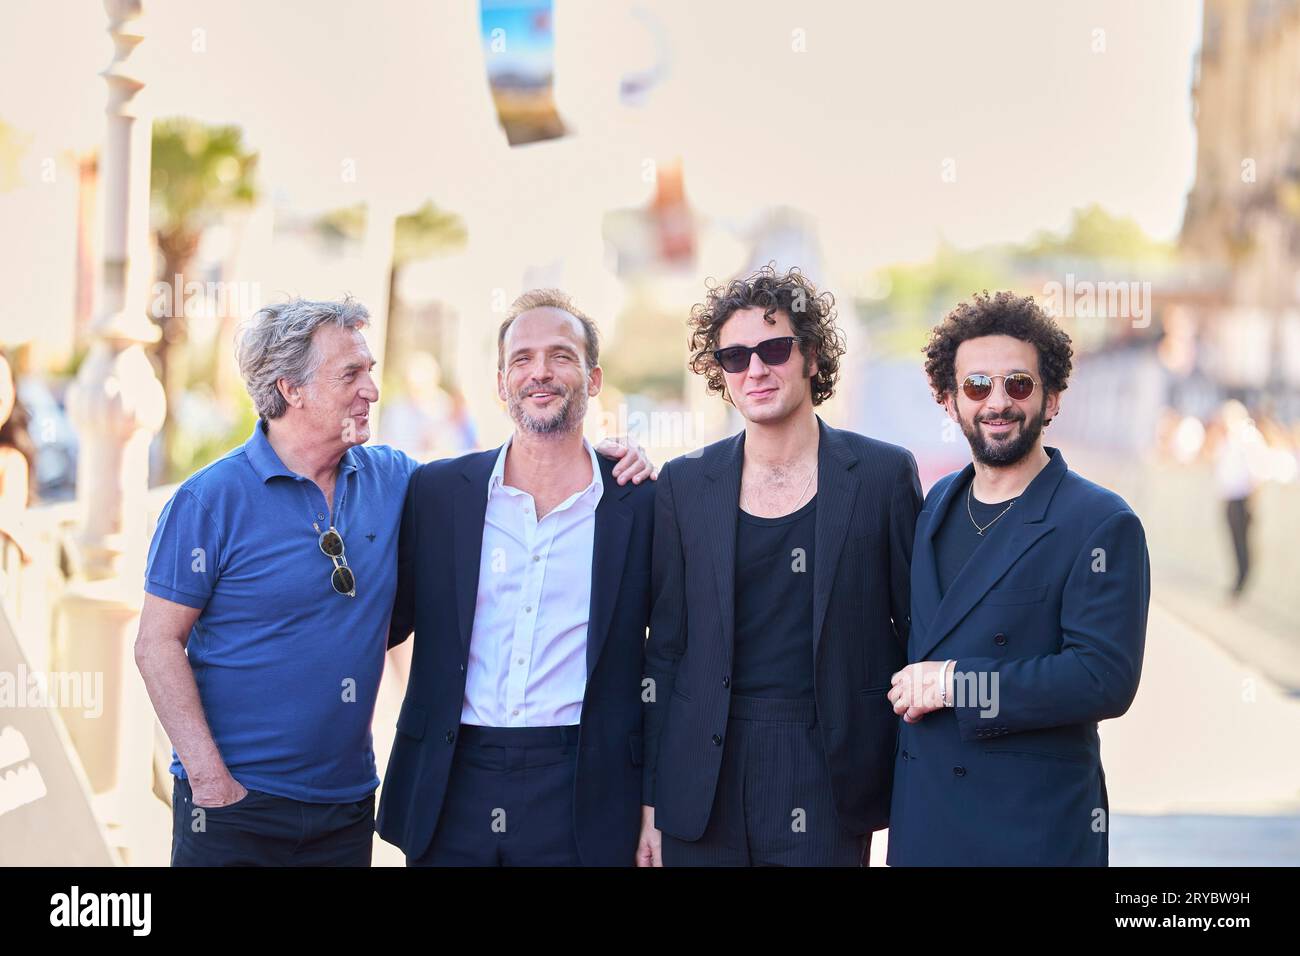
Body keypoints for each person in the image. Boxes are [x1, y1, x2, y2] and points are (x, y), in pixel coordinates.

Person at [134, 296, 653, 867]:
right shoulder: (210, 500)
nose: (372, 390)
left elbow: (518, 465)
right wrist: (210, 781)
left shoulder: (400, 482)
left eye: (370, 372)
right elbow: (156, 642)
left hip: (344, 806)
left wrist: (613, 453)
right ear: (291, 389)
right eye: (351, 374)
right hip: (233, 806)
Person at [638, 265, 922, 867]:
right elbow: (665, 649)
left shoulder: (882, 476)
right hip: (702, 776)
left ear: (812, 357)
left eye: (773, 348)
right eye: (736, 357)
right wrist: (650, 803)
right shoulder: (684, 484)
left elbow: (918, 633)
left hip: (828, 775)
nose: (756, 370)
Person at [377, 289, 655, 866]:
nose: (540, 372)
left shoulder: (644, 503)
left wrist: (654, 809)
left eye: (561, 355)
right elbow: (382, 621)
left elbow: (674, 657)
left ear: (594, 377)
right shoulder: (437, 494)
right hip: (453, 780)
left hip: (585, 784)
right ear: (501, 384)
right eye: (522, 359)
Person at [887, 290, 1149, 866]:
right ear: (949, 399)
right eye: (977, 386)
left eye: (1019, 385)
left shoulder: (1100, 522)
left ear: (1052, 399)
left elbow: (1102, 679)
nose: (998, 402)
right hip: (925, 827)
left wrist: (957, 683)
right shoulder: (933, 508)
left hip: (1032, 833)